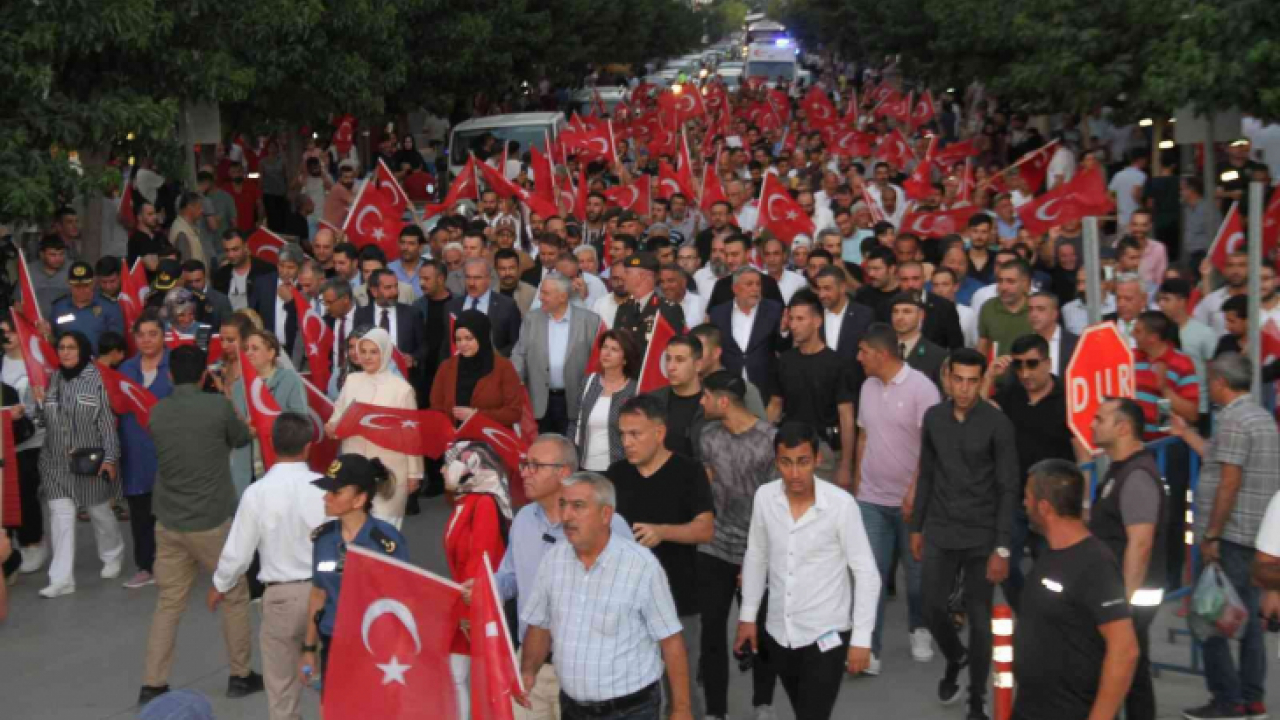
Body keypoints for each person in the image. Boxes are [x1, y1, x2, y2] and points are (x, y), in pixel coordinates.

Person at [139, 345, 259, 706]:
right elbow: (241, 437)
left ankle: (153, 683)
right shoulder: (217, 407)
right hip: (211, 521)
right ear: (205, 375)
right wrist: (226, 395)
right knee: (234, 595)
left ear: (171, 375)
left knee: (168, 603)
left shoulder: (158, 412)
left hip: (170, 521)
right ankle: (240, 674)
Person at [735, 422, 880, 720]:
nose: (794, 473)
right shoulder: (765, 498)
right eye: (786, 463)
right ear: (777, 462)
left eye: (802, 462)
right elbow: (756, 556)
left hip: (827, 636)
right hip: (779, 633)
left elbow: (866, 573)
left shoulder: (841, 506)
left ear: (817, 459)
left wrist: (862, 639)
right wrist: (748, 618)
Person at [487, 435, 635, 720]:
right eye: (524, 464)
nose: (524, 472)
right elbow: (510, 577)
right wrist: (483, 589)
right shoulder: (523, 520)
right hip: (532, 666)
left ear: (564, 473)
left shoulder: (608, 525)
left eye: (535, 466)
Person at [1171, 353, 1280, 720]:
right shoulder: (1262, 418)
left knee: (1210, 616)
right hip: (1258, 537)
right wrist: (1186, 434)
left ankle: (1227, 700)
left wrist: (1212, 535)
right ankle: (1252, 698)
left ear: (1220, 381)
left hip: (1231, 537)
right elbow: (1221, 461)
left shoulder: (1233, 420)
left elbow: (1229, 481)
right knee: (1247, 621)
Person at [911, 348, 1018, 720]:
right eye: (959, 379)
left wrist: (1002, 548)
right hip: (939, 528)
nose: (965, 388)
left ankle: (976, 700)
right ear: (947, 377)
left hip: (982, 534)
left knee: (979, 616)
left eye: (973, 381)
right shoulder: (934, 418)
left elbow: (1008, 488)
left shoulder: (997, 424)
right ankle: (956, 657)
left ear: (982, 381)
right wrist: (916, 526)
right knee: (931, 607)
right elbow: (926, 473)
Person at [208, 413, 327, 720]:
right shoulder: (327, 488)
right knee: (333, 686)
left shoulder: (256, 492)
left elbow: (239, 551)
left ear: (271, 444)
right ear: (308, 446)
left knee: (282, 693)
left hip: (280, 600)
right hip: (326, 596)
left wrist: (220, 585)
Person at [1012, 459, 1140, 720]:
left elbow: (1125, 650)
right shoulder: (1051, 555)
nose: (1024, 504)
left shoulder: (1095, 563)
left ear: (1044, 507)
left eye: (1027, 497)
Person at [854, 323, 941, 672]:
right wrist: (859, 483)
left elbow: (931, 449)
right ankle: (869, 648)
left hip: (912, 503)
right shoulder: (866, 386)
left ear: (882, 353)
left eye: (863, 351)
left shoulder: (923, 389)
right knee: (870, 574)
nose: (858, 357)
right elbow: (864, 436)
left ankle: (919, 628)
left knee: (917, 575)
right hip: (871, 500)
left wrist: (915, 492)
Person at [695, 371, 780, 720]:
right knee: (711, 630)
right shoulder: (708, 435)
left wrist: (756, 560)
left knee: (760, 628)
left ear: (723, 401)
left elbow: (777, 506)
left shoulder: (770, 440)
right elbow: (706, 488)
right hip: (714, 547)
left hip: (758, 551)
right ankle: (717, 711)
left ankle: (763, 704)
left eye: (706, 396)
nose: (701, 402)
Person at [986, 334, 1083, 609]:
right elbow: (978, 413)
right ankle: (1026, 612)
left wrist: (1083, 503)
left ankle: (1052, 618)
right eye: (1018, 366)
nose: (1025, 373)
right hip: (1016, 500)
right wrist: (990, 377)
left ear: (1048, 362)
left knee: (1053, 571)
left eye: (1032, 364)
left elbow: (1083, 452)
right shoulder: (1010, 395)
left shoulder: (1067, 398)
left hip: (1055, 504)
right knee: (1002, 563)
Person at [1089, 397, 1167, 720]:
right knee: (1132, 671)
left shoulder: (1136, 477)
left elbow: (1140, 545)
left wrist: (1123, 602)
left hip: (1130, 595)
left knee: (1127, 670)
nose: (1092, 424)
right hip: (1123, 593)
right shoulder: (1122, 470)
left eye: (1100, 419)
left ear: (1123, 428)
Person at [31, 330, 123, 598]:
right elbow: (44, 421)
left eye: (72, 347)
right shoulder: (52, 379)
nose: (66, 352)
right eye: (61, 347)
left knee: (99, 513)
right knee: (61, 518)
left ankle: (112, 554)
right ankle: (61, 579)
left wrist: (110, 458)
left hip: (88, 460)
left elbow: (107, 423)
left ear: (82, 350)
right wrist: (38, 406)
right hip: (54, 462)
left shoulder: (97, 379)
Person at [302, 454, 409, 684]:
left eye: (336, 492)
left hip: (376, 647)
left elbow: (402, 600)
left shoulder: (385, 543)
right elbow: (318, 594)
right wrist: (308, 649)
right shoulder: (323, 539)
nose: (326, 498)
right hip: (333, 642)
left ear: (359, 499)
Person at [442, 441, 512, 720]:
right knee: (458, 674)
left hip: (475, 603)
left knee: (472, 676)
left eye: (449, 463)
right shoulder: (469, 499)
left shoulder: (482, 503)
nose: (442, 468)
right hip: (464, 598)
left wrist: (468, 611)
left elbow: (481, 560)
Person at [330, 328, 424, 527]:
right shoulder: (352, 381)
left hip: (389, 471)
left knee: (386, 531)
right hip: (354, 466)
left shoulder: (402, 389)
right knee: (355, 532)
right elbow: (336, 415)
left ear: (385, 353)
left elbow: (411, 435)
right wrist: (334, 426)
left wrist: (414, 474)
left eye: (374, 352)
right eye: (363, 351)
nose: (367, 357)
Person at [767, 291, 855, 488]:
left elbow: (846, 416)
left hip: (824, 453)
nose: (794, 325)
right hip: (789, 448)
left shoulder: (837, 363)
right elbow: (775, 405)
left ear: (817, 321)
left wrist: (846, 466)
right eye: (791, 319)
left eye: (800, 319)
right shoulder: (785, 361)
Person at [118, 315, 173, 589]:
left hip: (170, 454)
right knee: (140, 513)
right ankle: (145, 566)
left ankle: (175, 566)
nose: (147, 340)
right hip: (135, 453)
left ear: (163, 336)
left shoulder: (176, 365)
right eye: (141, 335)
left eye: (153, 333)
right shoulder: (125, 369)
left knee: (171, 513)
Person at [510, 275, 601, 435]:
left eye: (545, 293)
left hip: (575, 402)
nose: (540, 297)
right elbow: (519, 355)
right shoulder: (532, 319)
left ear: (563, 296)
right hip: (539, 401)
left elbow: (598, 362)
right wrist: (512, 383)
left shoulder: (590, 321)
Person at [229, 329, 308, 496]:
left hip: (279, 461)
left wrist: (267, 427)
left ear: (271, 353)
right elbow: (232, 424)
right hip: (245, 466)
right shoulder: (238, 386)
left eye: (255, 348)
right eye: (246, 348)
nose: (249, 353)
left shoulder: (290, 380)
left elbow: (301, 420)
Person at [1, 319, 47, 575]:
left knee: (25, 492)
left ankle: (32, 543)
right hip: (3, 438)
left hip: (32, 438)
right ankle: (8, 553)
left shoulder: (35, 359)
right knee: (4, 496)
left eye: (9, 331)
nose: (5, 337)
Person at [430, 309, 525, 430]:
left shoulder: (504, 367)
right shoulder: (446, 367)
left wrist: (476, 415)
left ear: (482, 337)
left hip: (492, 441)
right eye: (458, 339)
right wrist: (447, 428)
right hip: (454, 442)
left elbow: (514, 412)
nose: (462, 344)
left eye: (469, 338)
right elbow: (436, 408)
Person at [711, 267, 785, 404]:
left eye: (758, 284)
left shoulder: (774, 310)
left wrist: (784, 332)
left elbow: (783, 348)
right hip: (730, 391)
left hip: (765, 390)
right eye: (749, 284)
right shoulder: (717, 314)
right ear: (735, 288)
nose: (755, 289)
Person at [571, 329, 640, 472]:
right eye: (604, 347)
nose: (606, 353)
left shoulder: (634, 390)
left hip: (619, 469)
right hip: (584, 467)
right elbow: (574, 422)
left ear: (625, 358)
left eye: (614, 349)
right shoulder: (589, 382)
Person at [644, 335, 707, 459]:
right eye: (668, 359)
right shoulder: (651, 401)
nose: (670, 367)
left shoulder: (713, 403)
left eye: (679, 360)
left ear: (698, 365)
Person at [446, 257, 524, 356]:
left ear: (489, 279)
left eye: (477, 278)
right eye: (468, 277)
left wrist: (495, 358)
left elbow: (516, 343)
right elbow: (446, 345)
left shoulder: (507, 306)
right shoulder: (451, 306)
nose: (471, 283)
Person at [51, 261, 126, 350]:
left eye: (86, 286)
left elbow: (116, 342)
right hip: (67, 360)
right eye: (77, 286)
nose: (82, 290)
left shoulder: (109, 306)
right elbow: (54, 340)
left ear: (93, 283)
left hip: (99, 362)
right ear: (69, 284)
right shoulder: (59, 307)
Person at [976, 259, 1033, 359]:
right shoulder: (988, 307)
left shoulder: (1036, 307)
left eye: (1010, 281)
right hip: (997, 372)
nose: (1003, 287)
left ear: (1025, 283)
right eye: (1000, 281)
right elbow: (983, 346)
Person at [892, 293, 947, 388]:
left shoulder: (937, 355)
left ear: (921, 315)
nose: (899, 317)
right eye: (895, 311)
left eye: (907, 312)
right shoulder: (883, 350)